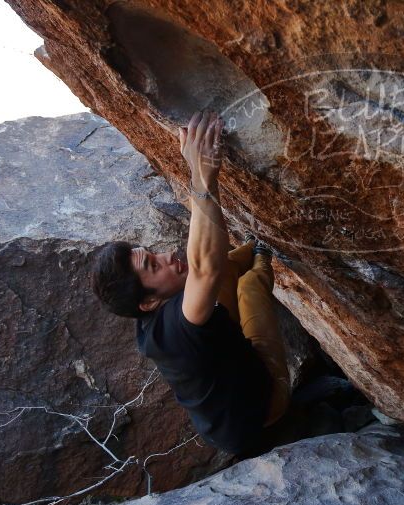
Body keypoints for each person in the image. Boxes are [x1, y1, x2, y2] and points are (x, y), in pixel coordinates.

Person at [90, 109, 291, 454]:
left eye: (152, 252)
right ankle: (265, 252)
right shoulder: (171, 334)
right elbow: (204, 269)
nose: (167, 256)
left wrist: (192, 166)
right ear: (148, 303)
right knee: (248, 287)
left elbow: (208, 265)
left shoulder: (159, 310)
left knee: (223, 269)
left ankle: (254, 244)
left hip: (225, 395)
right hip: (260, 413)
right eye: (153, 265)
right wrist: (202, 176)